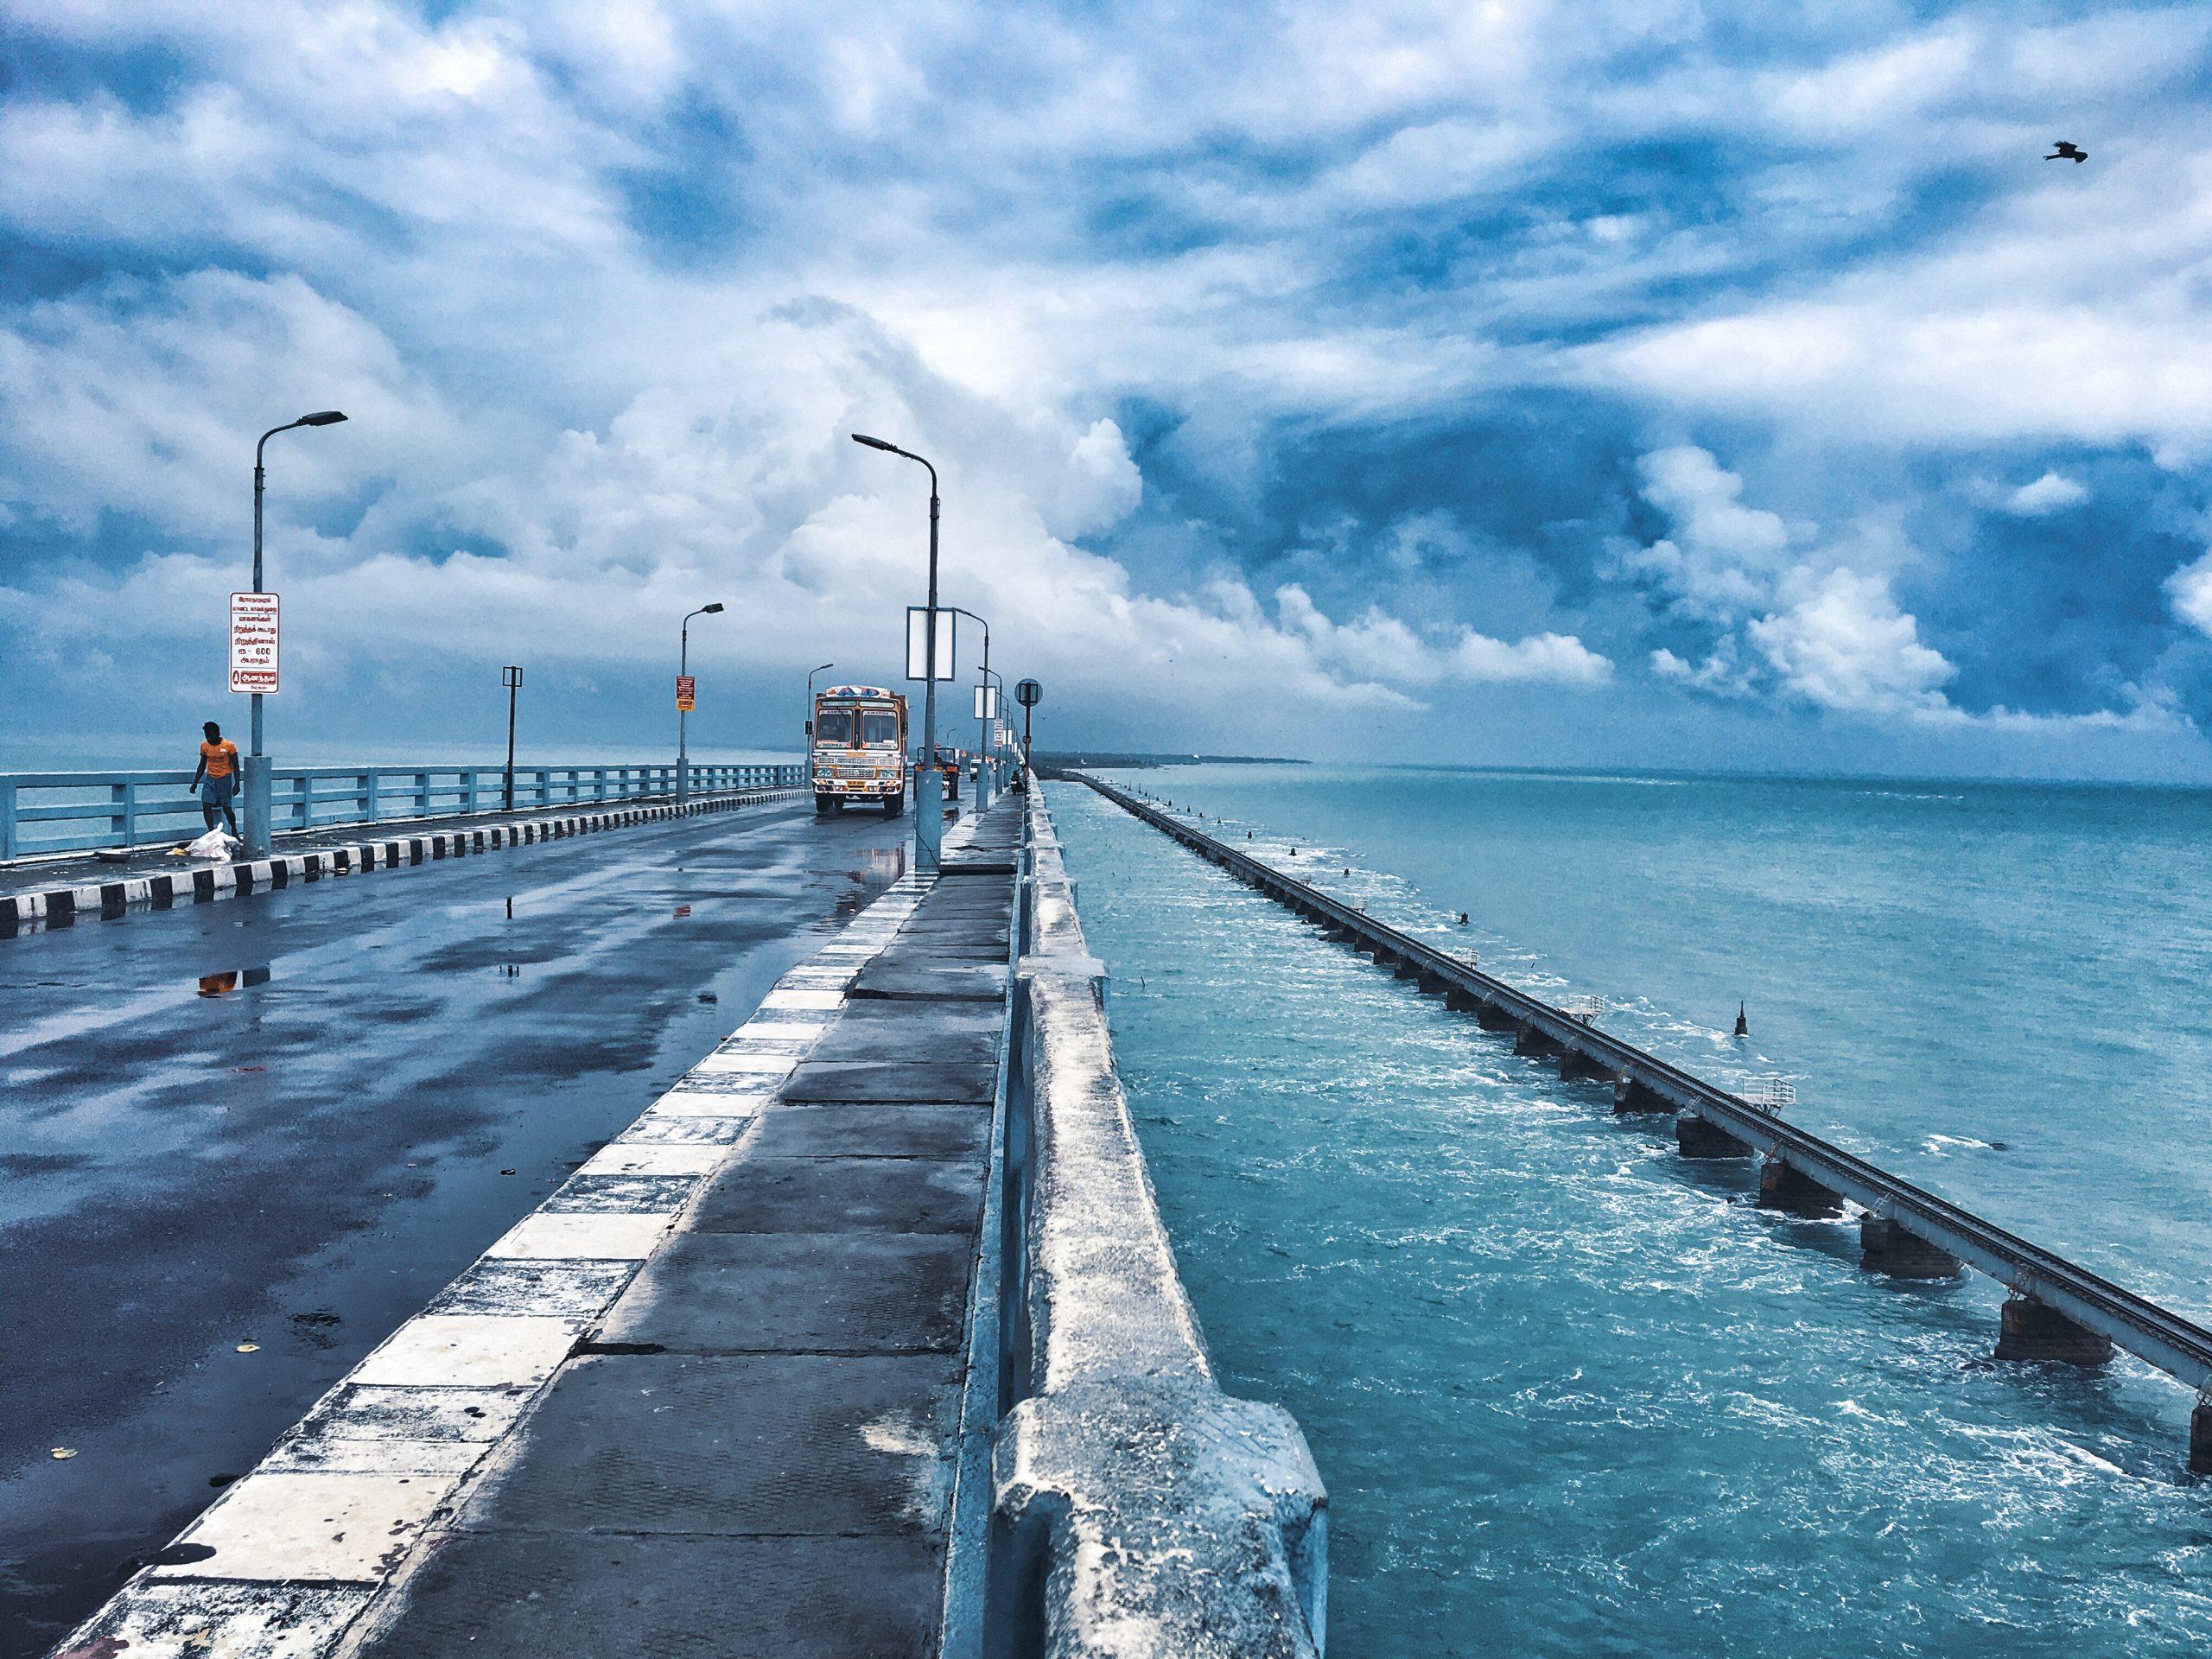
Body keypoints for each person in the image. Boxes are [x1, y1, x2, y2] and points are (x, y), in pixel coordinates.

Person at [192, 721, 240, 835]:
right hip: (210, 778)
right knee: (206, 805)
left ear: (217, 733)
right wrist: (195, 783)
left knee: (227, 808)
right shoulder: (204, 746)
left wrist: (237, 784)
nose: (209, 738)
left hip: (225, 778)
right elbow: (202, 765)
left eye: (211, 735)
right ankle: (211, 832)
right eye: (207, 735)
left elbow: (236, 765)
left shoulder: (229, 746)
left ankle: (234, 829)